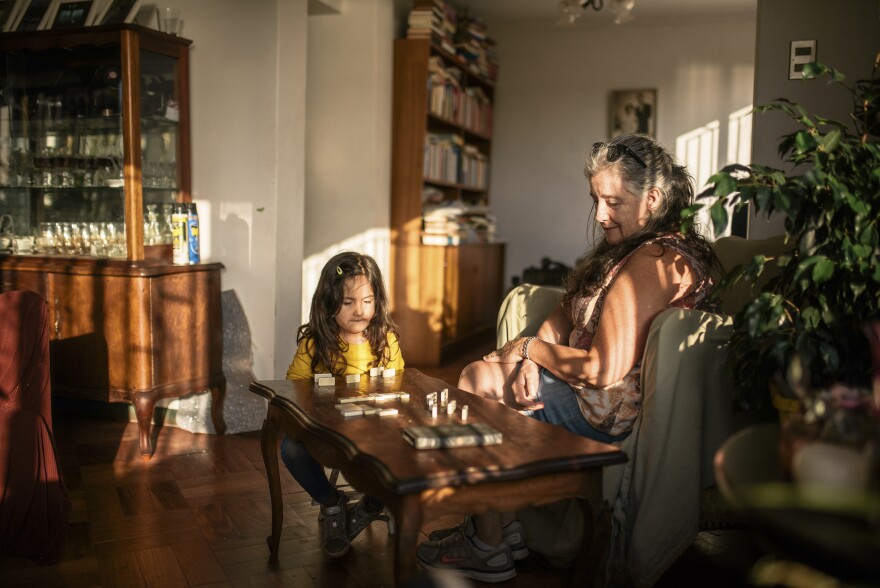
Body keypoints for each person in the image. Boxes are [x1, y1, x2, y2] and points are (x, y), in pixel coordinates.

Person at [415, 134, 720, 583]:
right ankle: (502, 528)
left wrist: (526, 350)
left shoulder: (656, 260)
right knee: (485, 377)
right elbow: (564, 310)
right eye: (596, 199)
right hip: (578, 385)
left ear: (653, 198)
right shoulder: (634, 247)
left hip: (604, 407)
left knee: (476, 382)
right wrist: (530, 365)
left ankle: (489, 544)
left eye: (613, 202)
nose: (600, 215)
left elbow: (603, 370)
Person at [281, 251, 405, 558]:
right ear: (328, 302)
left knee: (406, 444)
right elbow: (294, 384)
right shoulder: (315, 342)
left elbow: (401, 383)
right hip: (328, 433)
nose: (360, 311)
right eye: (348, 302)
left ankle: (371, 504)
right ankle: (331, 501)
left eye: (368, 300)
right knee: (290, 447)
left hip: (377, 432)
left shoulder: (386, 340)